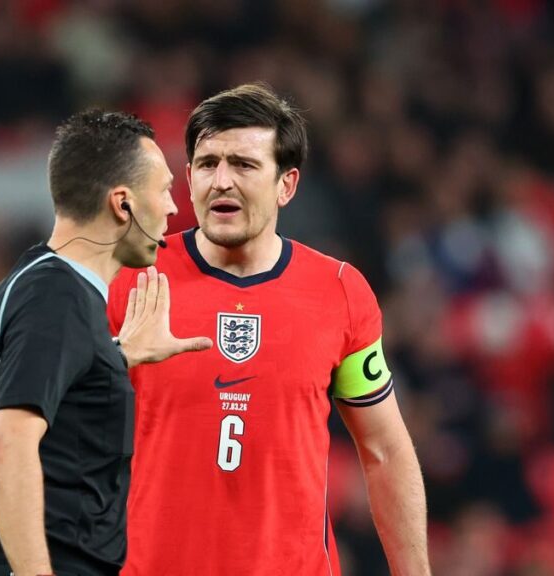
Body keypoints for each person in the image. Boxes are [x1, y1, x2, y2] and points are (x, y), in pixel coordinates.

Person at [107, 84, 431, 575]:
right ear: (188, 175)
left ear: (287, 184)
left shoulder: (340, 292)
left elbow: (385, 451)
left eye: (243, 164)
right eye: (207, 163)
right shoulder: (130, 278)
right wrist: (113, 360)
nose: (221, 181)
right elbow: (52, 434)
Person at [0, 109, 212, 576]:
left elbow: (58, 423)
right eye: (163, 190)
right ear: (123, 204)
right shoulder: (56, 296)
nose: (174, 208)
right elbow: (8, 444)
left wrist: (112, 360)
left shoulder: (53, 287)